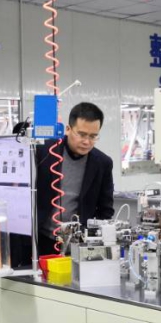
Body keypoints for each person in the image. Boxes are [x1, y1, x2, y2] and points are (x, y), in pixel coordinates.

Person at [36, 102, 114, 256]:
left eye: (93, 136)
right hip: (41, 240)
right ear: (68, 129)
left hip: (78, 244)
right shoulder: (44, 152)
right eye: (82, 134)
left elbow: (106, 209)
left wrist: (92, 239)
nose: (87, 142)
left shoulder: (102, 163)